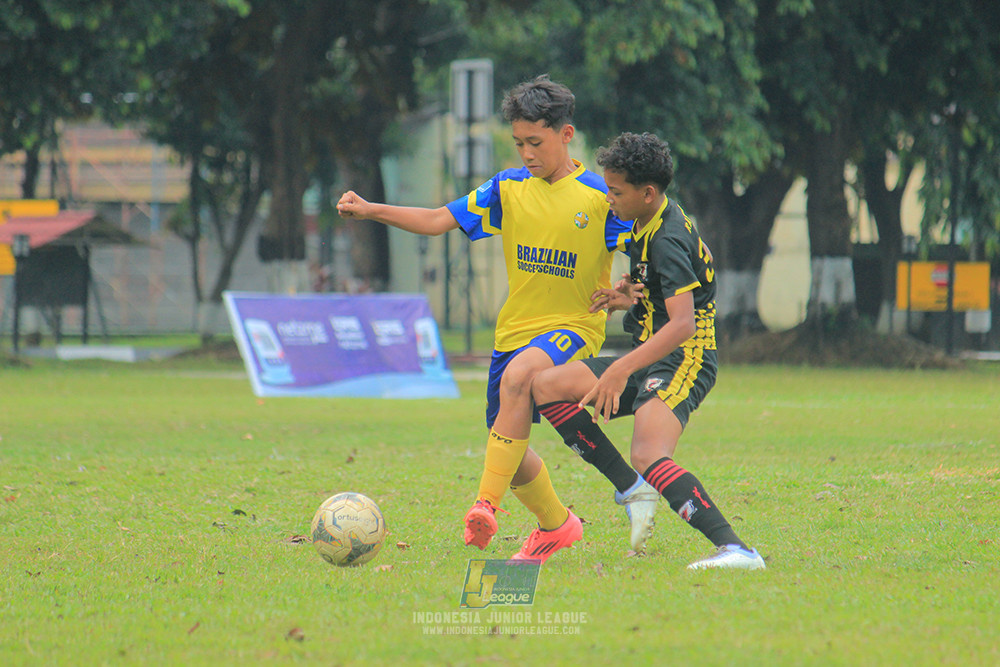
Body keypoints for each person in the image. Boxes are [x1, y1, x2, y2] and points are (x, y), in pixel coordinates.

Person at [337, 75, 659, 563]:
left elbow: (642, 254)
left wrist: (627, 292)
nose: (527, 153)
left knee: (522, 376)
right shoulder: (507, 188)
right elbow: (437, 220)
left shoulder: (599, 196)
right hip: (514, 331)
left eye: (536, 142)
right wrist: (370, 209)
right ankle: (557, 524)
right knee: (506, 442)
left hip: (574, 328)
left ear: (566, 135)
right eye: (518, 143)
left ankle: (485, 505)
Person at [525, 131, 766, 570]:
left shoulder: (667, 238)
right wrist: (626, 297)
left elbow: (682, 324)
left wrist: (620, 372)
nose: (609, 198)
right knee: (546, 385)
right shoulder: (645, 223)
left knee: (649, 454)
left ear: (647, 192)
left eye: (615, 191)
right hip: (650, 352)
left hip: (684, 358)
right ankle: (632, 489)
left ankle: (737, 550)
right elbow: (662, 290)